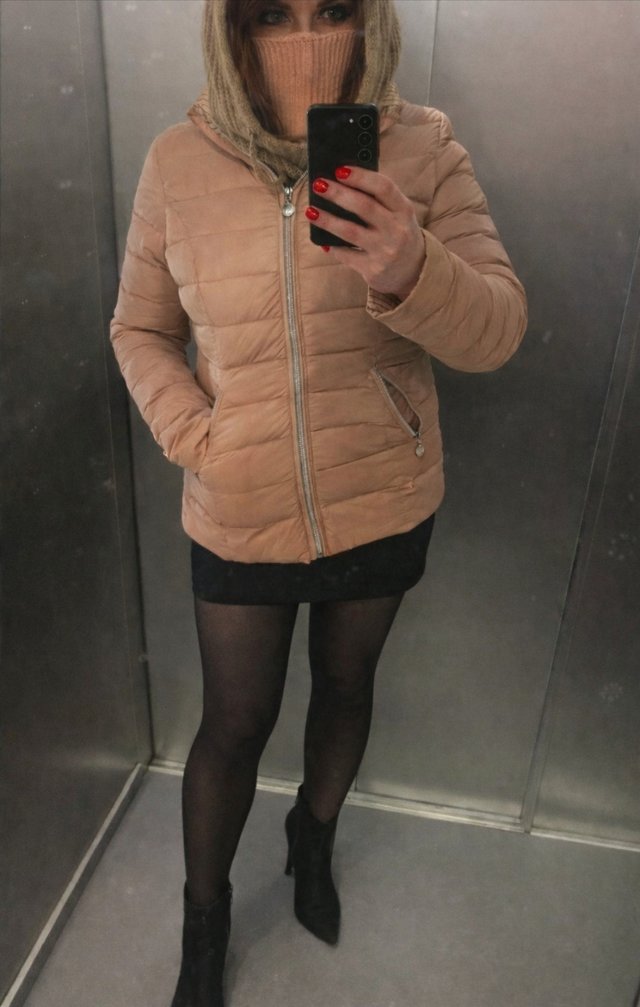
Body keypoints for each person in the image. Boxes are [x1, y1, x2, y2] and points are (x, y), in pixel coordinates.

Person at [109, 0, 528, 1003]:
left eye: (334, 9)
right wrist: (199, 438)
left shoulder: (423, 148)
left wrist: (412, 268)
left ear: (372, 19)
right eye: (272, 14)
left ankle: (313, 839)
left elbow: (499, 329)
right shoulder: (177, 161)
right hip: (238, 500)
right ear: (230, 29)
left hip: (381, 491)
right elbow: (139, 328)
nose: (307, 41)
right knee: (234, 720)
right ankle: (205, 922)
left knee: (346, 684)